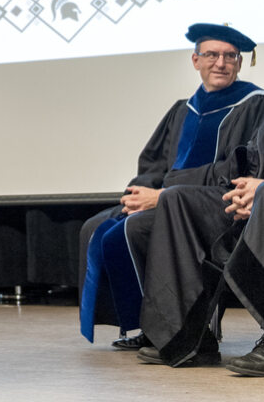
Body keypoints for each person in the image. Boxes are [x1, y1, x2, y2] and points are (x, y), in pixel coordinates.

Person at [79, 24, 264, 349]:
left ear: (238, 62)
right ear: (196, 60)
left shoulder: (252, 104)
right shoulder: (183, 109)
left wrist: (164, 193)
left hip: (212, 200)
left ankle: (173, 329)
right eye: (211, 55)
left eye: (229, 56)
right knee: (97, 227)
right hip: (167, 198)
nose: (220, 63)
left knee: (135, 229)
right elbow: (154, 164)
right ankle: (144, 325)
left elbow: (238, 168)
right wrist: (140, 193)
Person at [135, 120, 264, 370]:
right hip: (254, 200)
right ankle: (184, 334)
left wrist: (260, 192)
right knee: (177, 200)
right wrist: (241, 190)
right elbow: (250, 159)